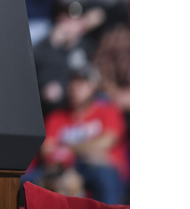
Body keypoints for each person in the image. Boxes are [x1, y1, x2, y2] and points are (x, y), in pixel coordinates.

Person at [39, 66, 127, 204]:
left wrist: (66, 146)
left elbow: (106, 142)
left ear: (94, 88)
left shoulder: (108, 111)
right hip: (62, 169)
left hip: (97, 170)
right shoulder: (57, 117)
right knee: (27, 180)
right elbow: (46, 149)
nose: (77, 87)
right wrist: (88, 149)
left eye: (83, 82)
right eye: (74, 81)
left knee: (105, 176)